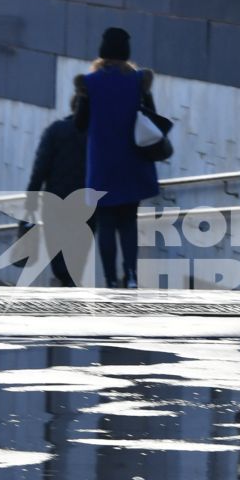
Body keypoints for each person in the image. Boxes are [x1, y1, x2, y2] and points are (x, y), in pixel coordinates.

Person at [73, 27, 160, 289]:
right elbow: (152, 116)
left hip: (103, 163)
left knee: (106, 221)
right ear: (126, 53)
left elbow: (80, 123)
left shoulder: (90, 83)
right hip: (133, 160)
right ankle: (131, 275)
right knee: (128, 221)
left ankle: (110, 278)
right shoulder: (138, 81)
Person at [27, 95, 90, 287]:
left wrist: (32, 195)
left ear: (72, 107)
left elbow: (41, 165)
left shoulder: (55, 131)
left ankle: (64, 277)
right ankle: (73, 277)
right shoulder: (96, 134)